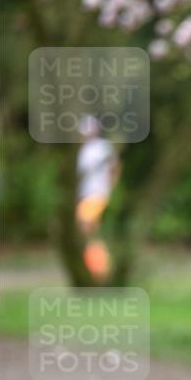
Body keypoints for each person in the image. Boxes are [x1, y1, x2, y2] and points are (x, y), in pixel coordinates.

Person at [76, 115, 120, 281]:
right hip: (84, 195)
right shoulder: (80, 150)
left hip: (96, 194)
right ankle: (97, 265)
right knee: (89, 231)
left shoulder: (103, 147)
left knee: (85, 227)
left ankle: (99, 267)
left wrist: (110, 187)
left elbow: (115, 167)